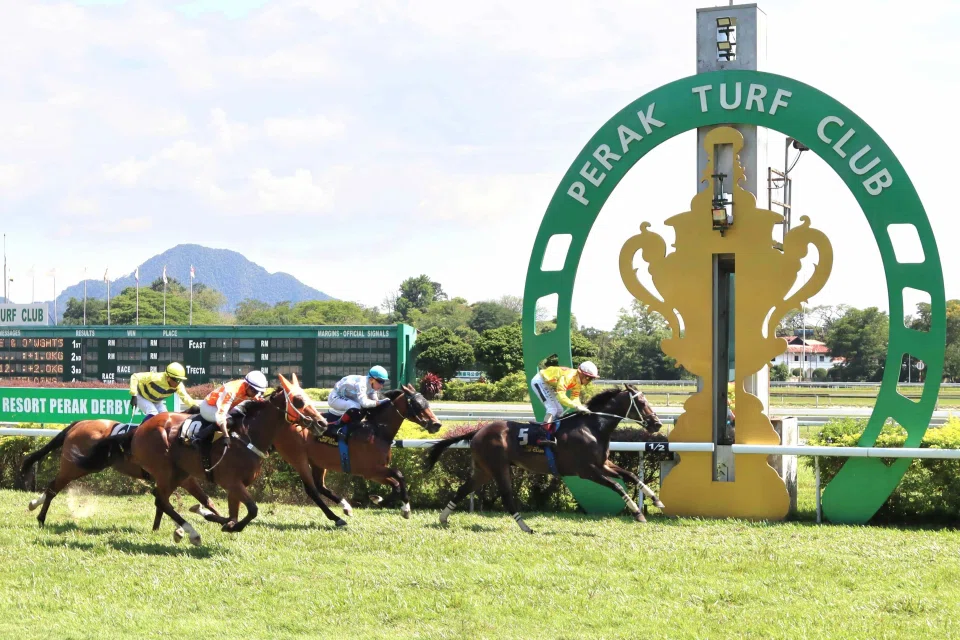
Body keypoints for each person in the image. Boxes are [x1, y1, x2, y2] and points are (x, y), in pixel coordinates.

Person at [529, 361, 600, 447]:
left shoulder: (578, 382)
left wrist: (581, 406)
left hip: (546, 383)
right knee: (552, 409)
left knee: (560, 410)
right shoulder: (569, 377)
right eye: (588, 378)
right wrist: (576, 406)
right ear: (581, 374)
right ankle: (542, 436)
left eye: (591, 379)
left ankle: (552, 433)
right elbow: (561, 396)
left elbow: (575, 398)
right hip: (539, 381)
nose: (589, 381)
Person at [199, 370, 269, 444]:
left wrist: (260, 400)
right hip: (208, 407)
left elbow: (255, 395)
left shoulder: (246, 387)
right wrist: (226, 436)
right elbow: (221, 415)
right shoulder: (231, 391)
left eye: (258, 392)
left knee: (242, 415)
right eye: (254, 391)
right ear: (247, 385)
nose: (255, 394)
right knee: (229, 421)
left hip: (223, 407)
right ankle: (199, 435)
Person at [327, 365, 390, 436]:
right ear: (371, 379)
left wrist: (379, 403)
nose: (382, 386)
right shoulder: (362, 384)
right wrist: (378, 402)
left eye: (383, 382)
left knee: (361, 407)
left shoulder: (372, 385)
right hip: (335, 397)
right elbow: (364, 403)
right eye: (380, 382)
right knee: (355, 406)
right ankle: (336, 427)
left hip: (347, 396)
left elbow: (373, 398)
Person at [129, 362, 198, 424]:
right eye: (176, 379)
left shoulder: (179, 385)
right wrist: (134, 395)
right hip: (141, 396)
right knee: (153, 413)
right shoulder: (155, 378)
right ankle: (139, 432)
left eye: (180, 380)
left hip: (156, 401)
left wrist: (194, 405)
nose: (178, 382)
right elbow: (135, 376)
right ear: (168, 377)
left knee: (166, 416)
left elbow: (185, 397)